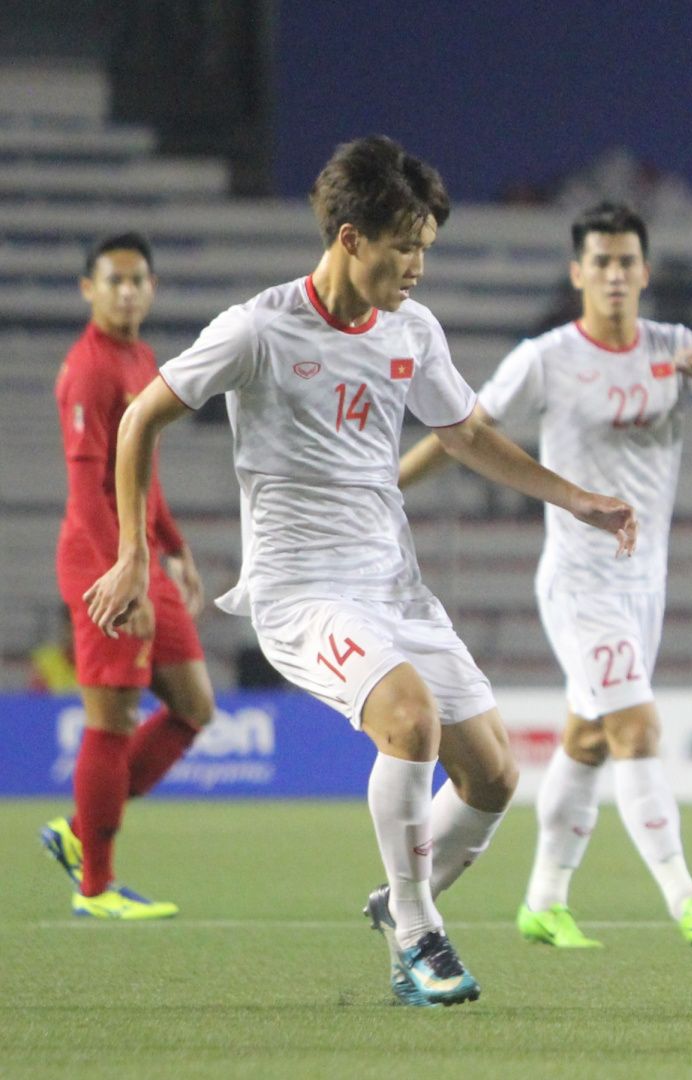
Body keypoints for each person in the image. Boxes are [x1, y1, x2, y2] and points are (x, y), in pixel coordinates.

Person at [83, 136, 638, 1008]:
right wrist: (131, 552)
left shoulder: (411, 330)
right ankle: (419, 935)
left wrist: (573, 497)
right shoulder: (257, 328)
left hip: (393, 585)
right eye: (403, 246)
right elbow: (138, 420)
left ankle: (398, 903)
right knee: (408, 720)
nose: (418, 266)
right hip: (302, 592)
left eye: (425, 247)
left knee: (492, 775)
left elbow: (462, 434)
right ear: (349, 237)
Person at [397, 201, 692, 949]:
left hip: (645, 586)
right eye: (599, 262)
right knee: (636, 727)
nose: (613, 274)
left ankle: (543, 899)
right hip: (579, 582)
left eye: (626, 262)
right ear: (578, 273)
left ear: (645, 271)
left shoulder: (672, 348)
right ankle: (684, 895)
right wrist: (386, 484)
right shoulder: (546, 358)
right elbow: (464, 430)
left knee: (590, 738)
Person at [40, 231, 216, 919]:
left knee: (194, 706)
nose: (127, 290)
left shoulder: (141, 357)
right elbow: (88, 491)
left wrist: (173, 546)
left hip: (139, 555)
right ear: (88, 289)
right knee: (111, 720)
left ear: (152, 286)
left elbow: (138, 471)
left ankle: (81, 831)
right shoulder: (88, 369)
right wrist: (125, 572)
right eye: (113, 280)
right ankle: (95, 889)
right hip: (104, 563)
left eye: (138, 279)